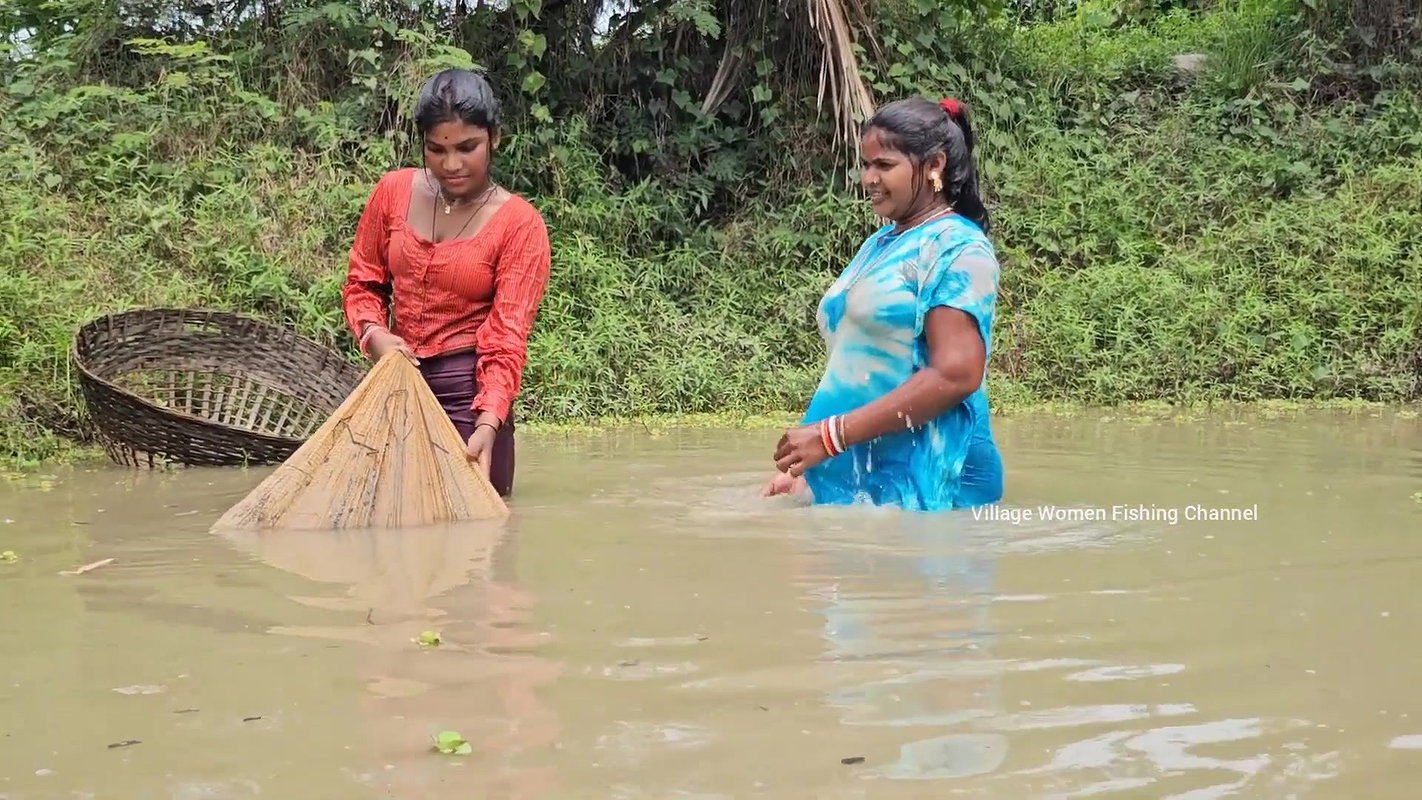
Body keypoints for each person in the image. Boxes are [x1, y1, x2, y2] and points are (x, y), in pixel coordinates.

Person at [764, 96, 1004, 512]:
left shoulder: (958, 248)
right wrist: (808, 468)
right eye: (866, 164)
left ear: (934, 166)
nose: (868, 178)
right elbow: (858, 367)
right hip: (862, 474)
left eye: (885, 165)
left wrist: (830, 437)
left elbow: (957, 374)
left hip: (934, 481)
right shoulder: (881, 243)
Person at [342, 69, 551, 498]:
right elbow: (364, 282)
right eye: (436, 150)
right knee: (390, 530)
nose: (451, 165)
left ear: (494, 137)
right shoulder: (393, 192)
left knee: (471, 545)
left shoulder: (519, 225)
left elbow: (507, 336)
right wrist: (373, 333)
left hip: (467, 399)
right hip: (395, 388)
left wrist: (489, 421)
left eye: (466, 148)